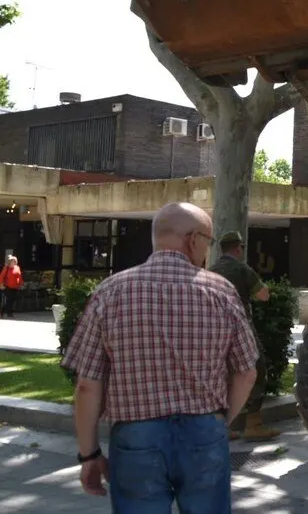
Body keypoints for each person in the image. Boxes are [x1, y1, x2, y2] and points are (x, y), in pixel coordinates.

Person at [61, 202, 259, 513]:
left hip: (136, 436)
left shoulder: (110, 291)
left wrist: (89, 455)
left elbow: (87, 384)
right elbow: (247, 372)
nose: (207, 250)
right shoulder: (222, 291)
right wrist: (221, 421)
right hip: (204, 431)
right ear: (193, 239)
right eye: (207, 240)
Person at [209, 230, 279, 441]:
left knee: (221, 374)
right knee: (257, 367)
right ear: (238, 248)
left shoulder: (211, 270)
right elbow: (263, 295)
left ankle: (223, 425)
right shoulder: (242, 269)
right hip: (240, 326)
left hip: (214, 328)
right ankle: (253, 424)